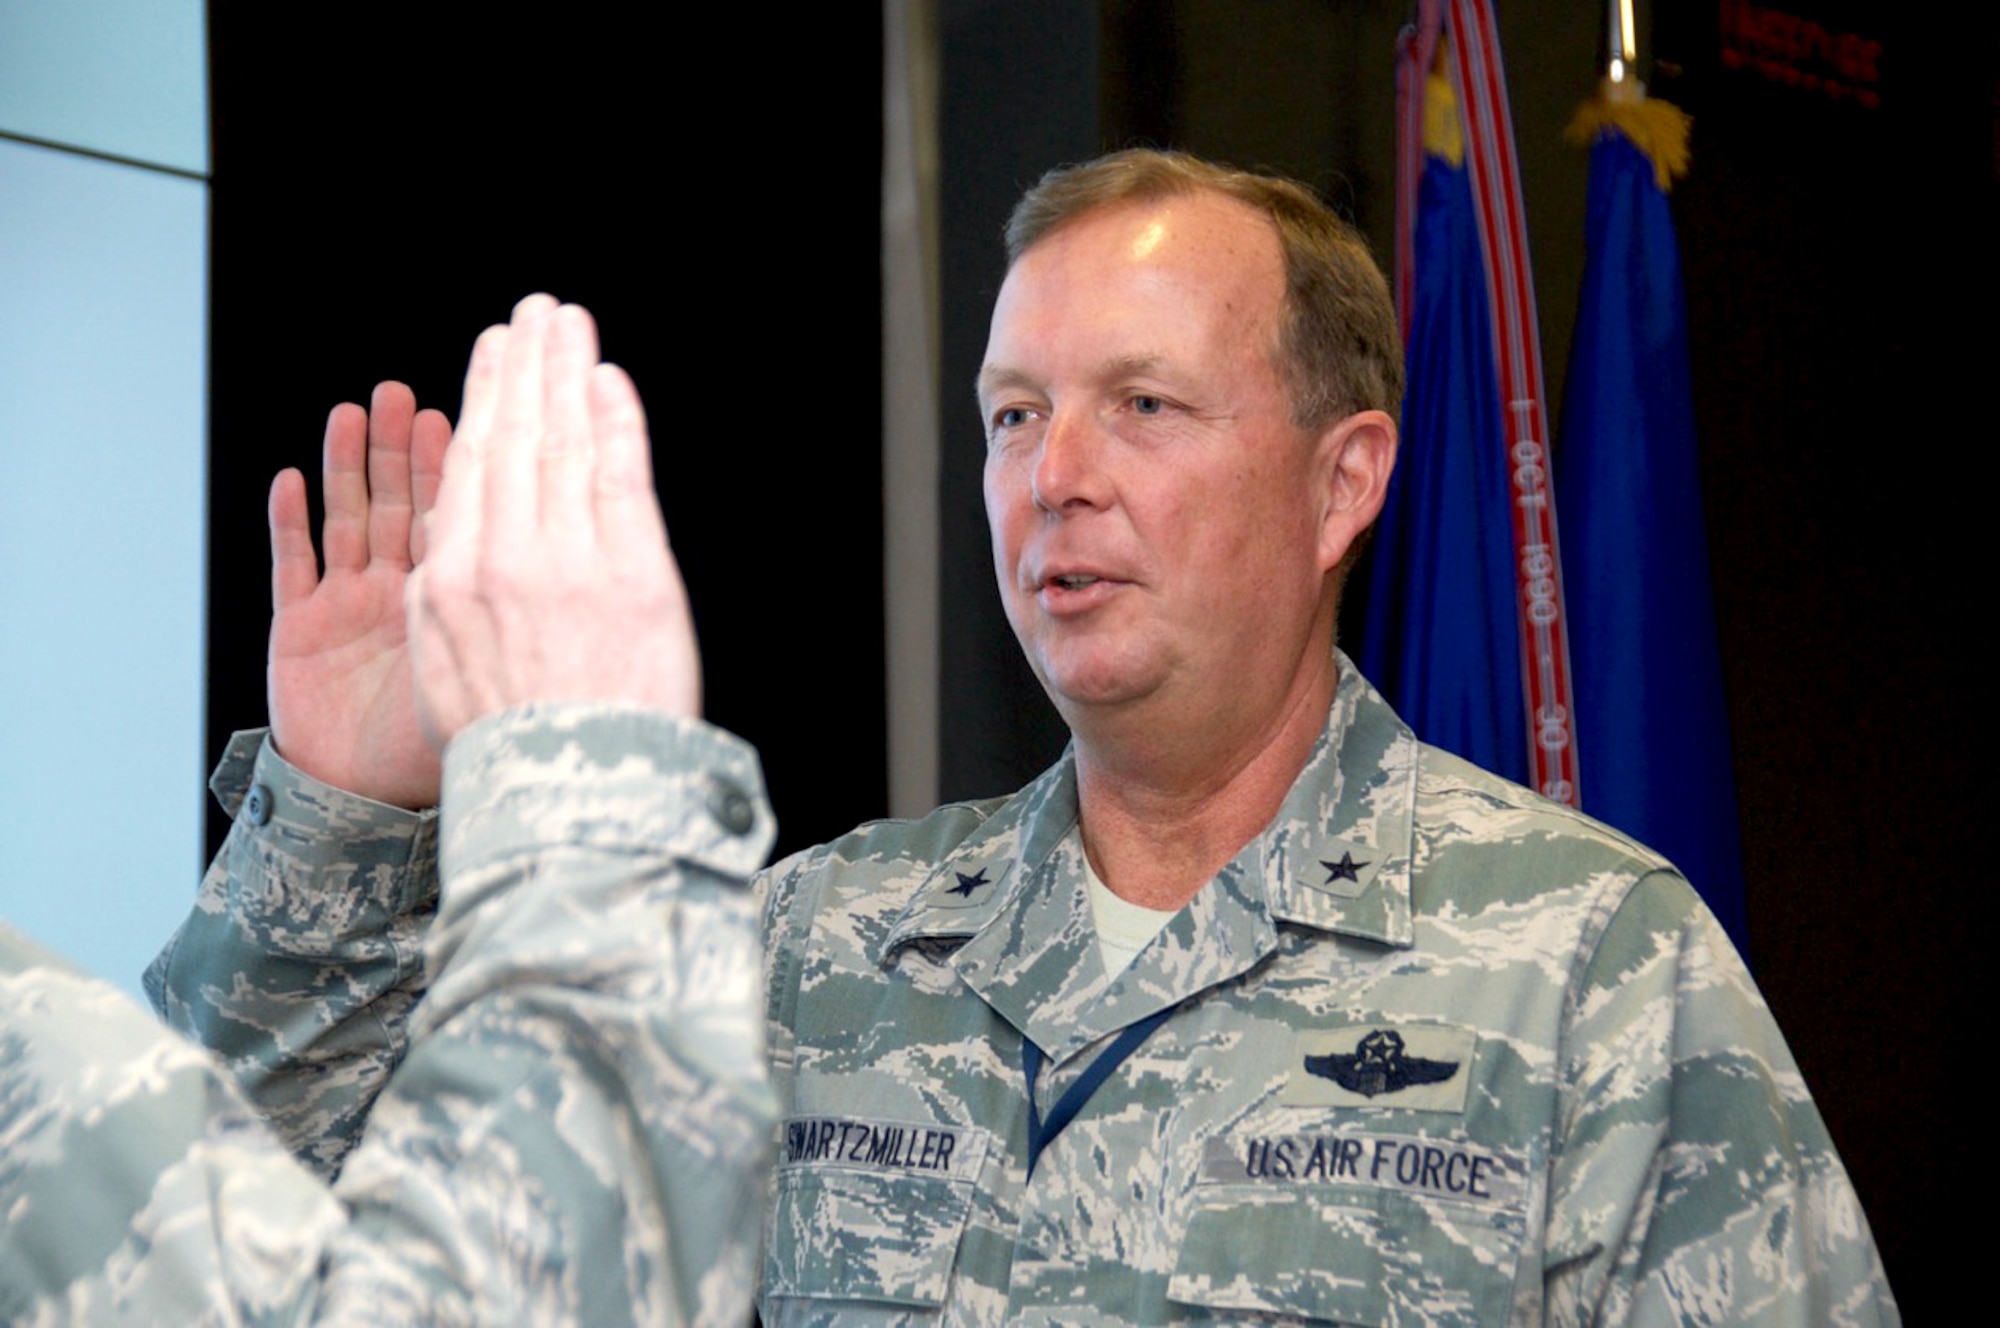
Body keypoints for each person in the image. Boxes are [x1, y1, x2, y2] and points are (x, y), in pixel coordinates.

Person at [153, 153, 1896, 1325]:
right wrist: (346, 816)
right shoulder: (805, 948)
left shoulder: (1591, 964)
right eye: (1013, 414)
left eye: (1143, 404)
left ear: (1345, 478)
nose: (1053, 476)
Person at [3, 300, 776, 1325]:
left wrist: (338, 841)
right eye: (1013, 415)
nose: (1052, 476)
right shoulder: (789, 934)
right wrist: (585, 797)